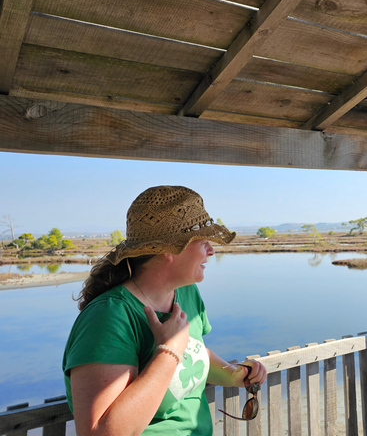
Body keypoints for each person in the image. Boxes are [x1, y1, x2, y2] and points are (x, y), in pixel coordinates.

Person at [62, 186, 267, 435]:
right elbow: (98, 432)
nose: (211, 251)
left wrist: (232, 375)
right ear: (170, 249)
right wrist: (168, 352)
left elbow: (193, 351)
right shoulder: (108, 316)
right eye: (203, 242)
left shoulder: (187, 293)